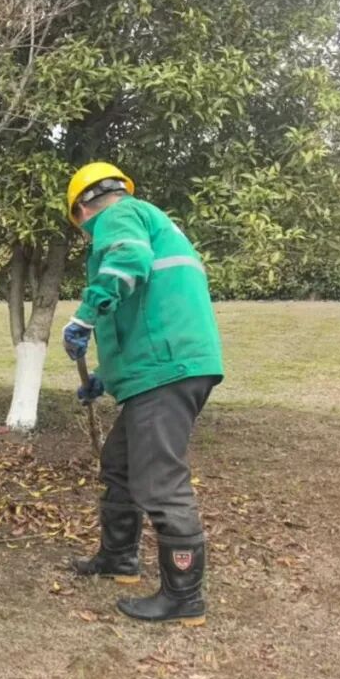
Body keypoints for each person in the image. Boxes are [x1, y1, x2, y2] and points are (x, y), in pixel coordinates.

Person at [62, 162, 223, 625]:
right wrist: (106, 379)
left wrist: (85, 315)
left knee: (159, 481)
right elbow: (148, 315)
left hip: (165, 370)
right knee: (121, 464)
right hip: (163, 366)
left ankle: (183, 597)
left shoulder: (119, 215)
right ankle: (119, 559)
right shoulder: (151, 221)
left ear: (82, 209)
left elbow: (127, 261)